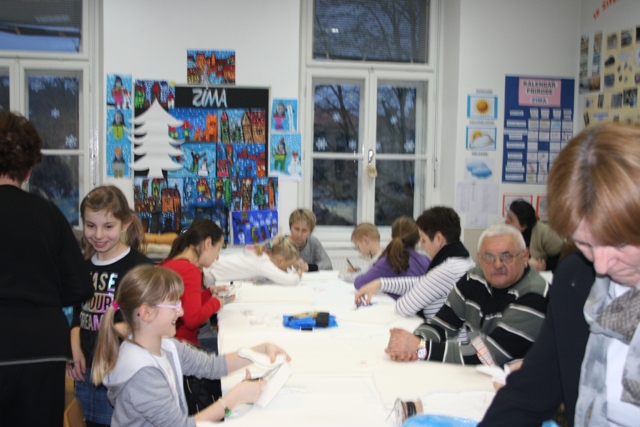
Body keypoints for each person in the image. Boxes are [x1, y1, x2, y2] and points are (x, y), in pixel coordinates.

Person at [480, 123, 640, 426]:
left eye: (618, 244)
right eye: (585, 244)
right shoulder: (576, 279)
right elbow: (530, 394)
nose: (601, 265)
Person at [92, 265, 290, 426]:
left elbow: (213, 366)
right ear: (146, 313)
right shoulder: (142, 374)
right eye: (174, 306)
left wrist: (259, 351)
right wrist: (234, 399)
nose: (180, 312)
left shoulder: (167, 347)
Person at [0, 111, 94, 427]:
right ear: (29, 168)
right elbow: (80, 286)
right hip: (42, 345)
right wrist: (42, 294)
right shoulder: (48, 215)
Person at [384, 223, 548, 367]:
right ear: (479, 258)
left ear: (525, 256)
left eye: (506, 256)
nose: (497, 264)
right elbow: (442, 324)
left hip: (517, 383)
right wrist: (413, 342)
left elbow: (487, 355)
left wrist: (419, 348)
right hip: (479, 377)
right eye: (489, 257)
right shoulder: (474, 278)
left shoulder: (534, 295)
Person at [69, 185, 153, 427]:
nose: (98, 235)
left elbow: (149, 322)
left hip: (121, 374)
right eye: (90, 226)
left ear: (125, 224)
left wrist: (121, 330)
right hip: (85, 373)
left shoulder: (139, 267)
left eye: (108, 227)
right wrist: (73, 347)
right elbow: (78, 313)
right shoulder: (81, 266)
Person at [355, 207, 474, 319]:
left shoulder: (447, 270)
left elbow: (403, 307)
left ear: (439, 238)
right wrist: (380, 283)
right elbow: (422, 281)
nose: (422, 246)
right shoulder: (464, 262)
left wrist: (382, 284)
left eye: (424, 240)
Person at [159, 218, 226, 349]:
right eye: (218, 249)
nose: (217, 257)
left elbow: (187, 306)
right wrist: (216, 303)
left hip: (171, 345)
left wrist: (208, 293)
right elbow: (193, 319)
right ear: (207, 243)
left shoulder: (170, 263)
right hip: (184, 349)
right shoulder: (190, 271)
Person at [352, 217, 430, 299]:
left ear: (392, 238)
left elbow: (359, 283)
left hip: (398, 306)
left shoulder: (388, 261)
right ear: (418, 240)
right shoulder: (426, 261)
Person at [205, 234, 302, 286]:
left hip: (210, 268)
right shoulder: (263, 263)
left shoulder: (261, 254)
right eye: (288, 266)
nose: (287, 269)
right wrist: (298, 272)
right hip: (209, 275)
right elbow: (291, 281)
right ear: (280, 260)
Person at [506, 199, 563, 272]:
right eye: (508, 216)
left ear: (523, 226)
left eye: (511, 219)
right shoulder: (501, 230)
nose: (506, 221)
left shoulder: (545, 232)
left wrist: (546, 265)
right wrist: (524, 264)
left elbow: (562, 257)